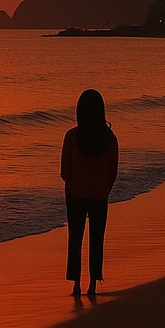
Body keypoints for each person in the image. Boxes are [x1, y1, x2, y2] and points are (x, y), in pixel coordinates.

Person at [60, 89, 118, 299]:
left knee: (75, 239)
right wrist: (103, 187)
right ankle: (93, 283)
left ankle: (76, 284)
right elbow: (113, 171)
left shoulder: (72, 136)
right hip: (100, 195)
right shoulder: (110, 139)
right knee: (96, 238)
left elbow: (64, 171)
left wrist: (73, 181)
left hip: (75, 193)